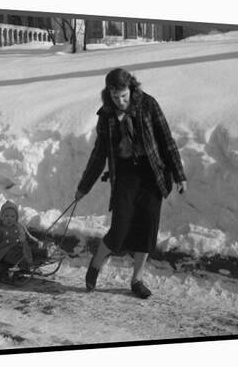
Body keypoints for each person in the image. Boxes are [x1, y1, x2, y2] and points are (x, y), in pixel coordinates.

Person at [75, 68, 187, 299]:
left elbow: (166, 140)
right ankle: (96, 263)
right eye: (115, 97)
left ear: (132, 88)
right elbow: (99, 154)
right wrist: (83, 187)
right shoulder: (106, 115)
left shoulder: (148, 104)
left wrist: (179, 174)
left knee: (147, 228)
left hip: (152, 175)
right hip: (125, 176)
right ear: (109, 94)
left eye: (124, 96)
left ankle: (137, 279)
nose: (121, 101)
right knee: (120, 229)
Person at [0, 201, 48, 276]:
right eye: (6, 216)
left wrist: (37, 242)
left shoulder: (19, 226)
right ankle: (27, 266)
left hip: (20, 247)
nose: (9, 219)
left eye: (12, 216)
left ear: (16, 217)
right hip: (5, 252)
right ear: (1, 217)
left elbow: (28, 236)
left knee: (33, 250)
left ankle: (44, 253)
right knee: (20, 256)